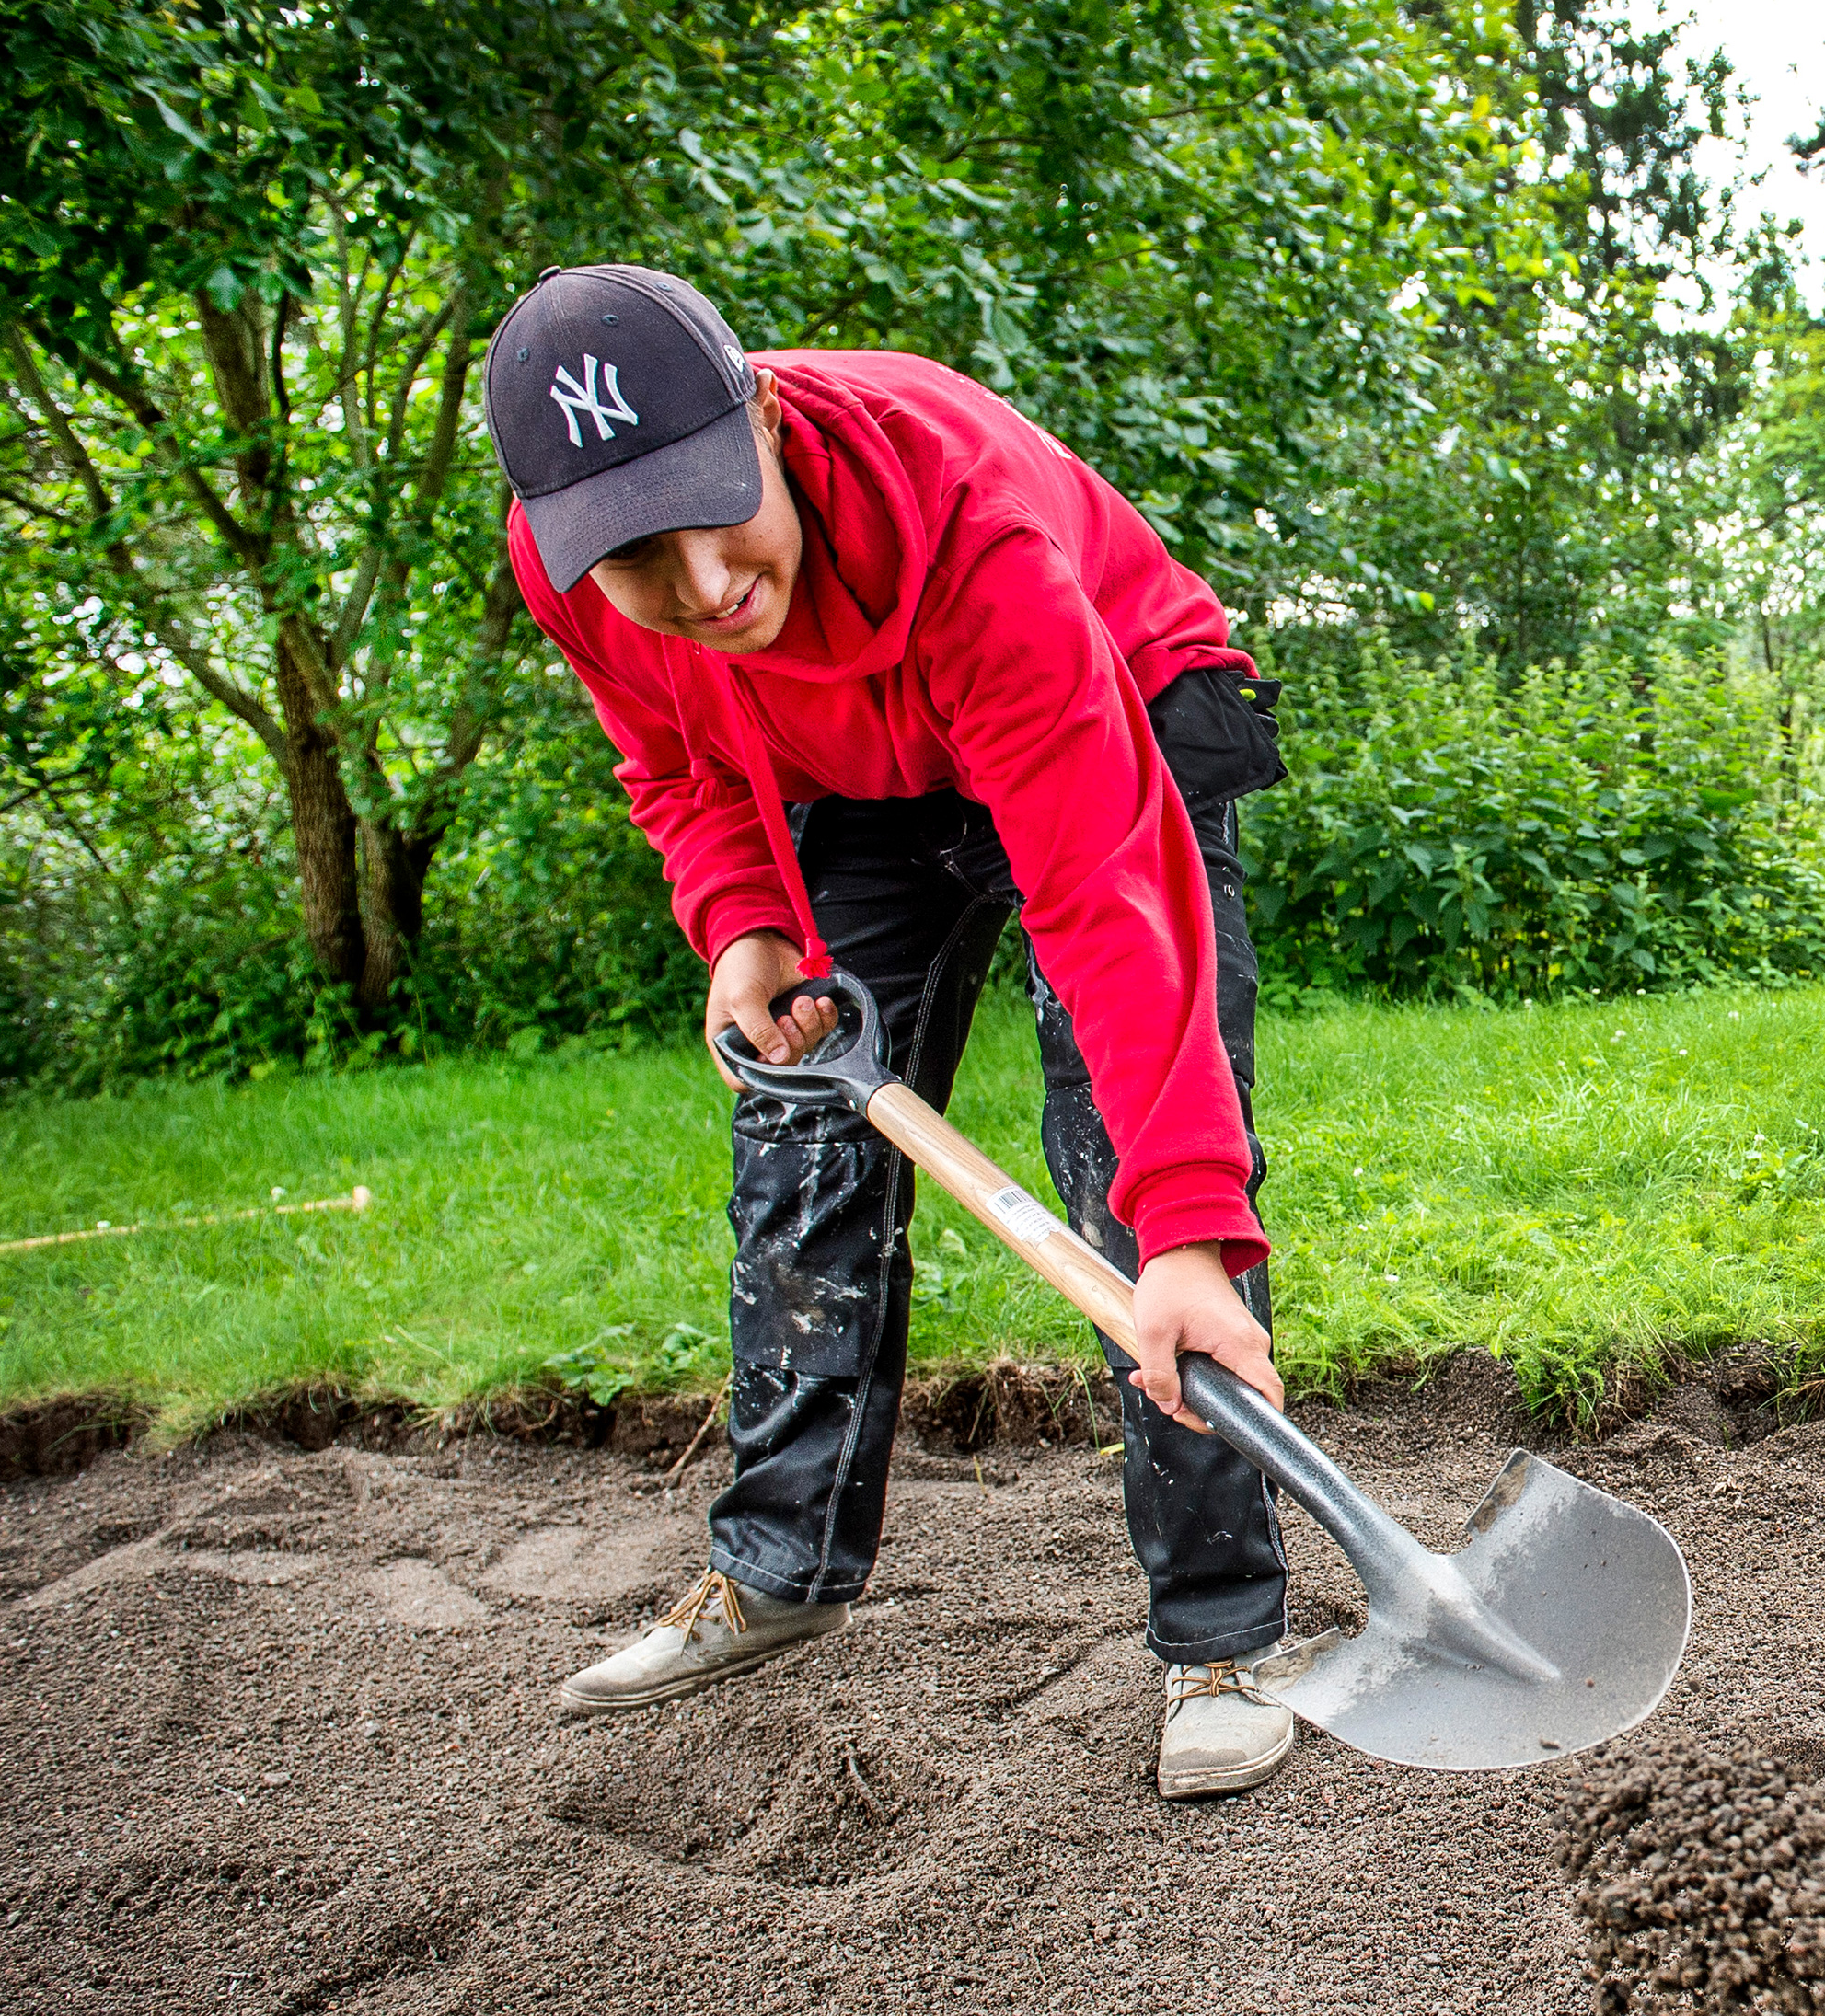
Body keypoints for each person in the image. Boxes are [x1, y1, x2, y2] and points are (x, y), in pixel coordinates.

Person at [487, 263, 1301, 1802]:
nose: (703, 580)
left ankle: (1219, 1632)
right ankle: (782, 1567)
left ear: (765, 417)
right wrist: (743, 919)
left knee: (1130, 1181)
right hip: (863, 770)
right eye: (635, 555)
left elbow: (1106, 897)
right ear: (566, 541)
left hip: (1114, 696)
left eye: (713, 506)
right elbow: (673, 757)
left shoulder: (964, 525)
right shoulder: (576, 573)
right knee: (802, 1133)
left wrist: (1190, 1218)